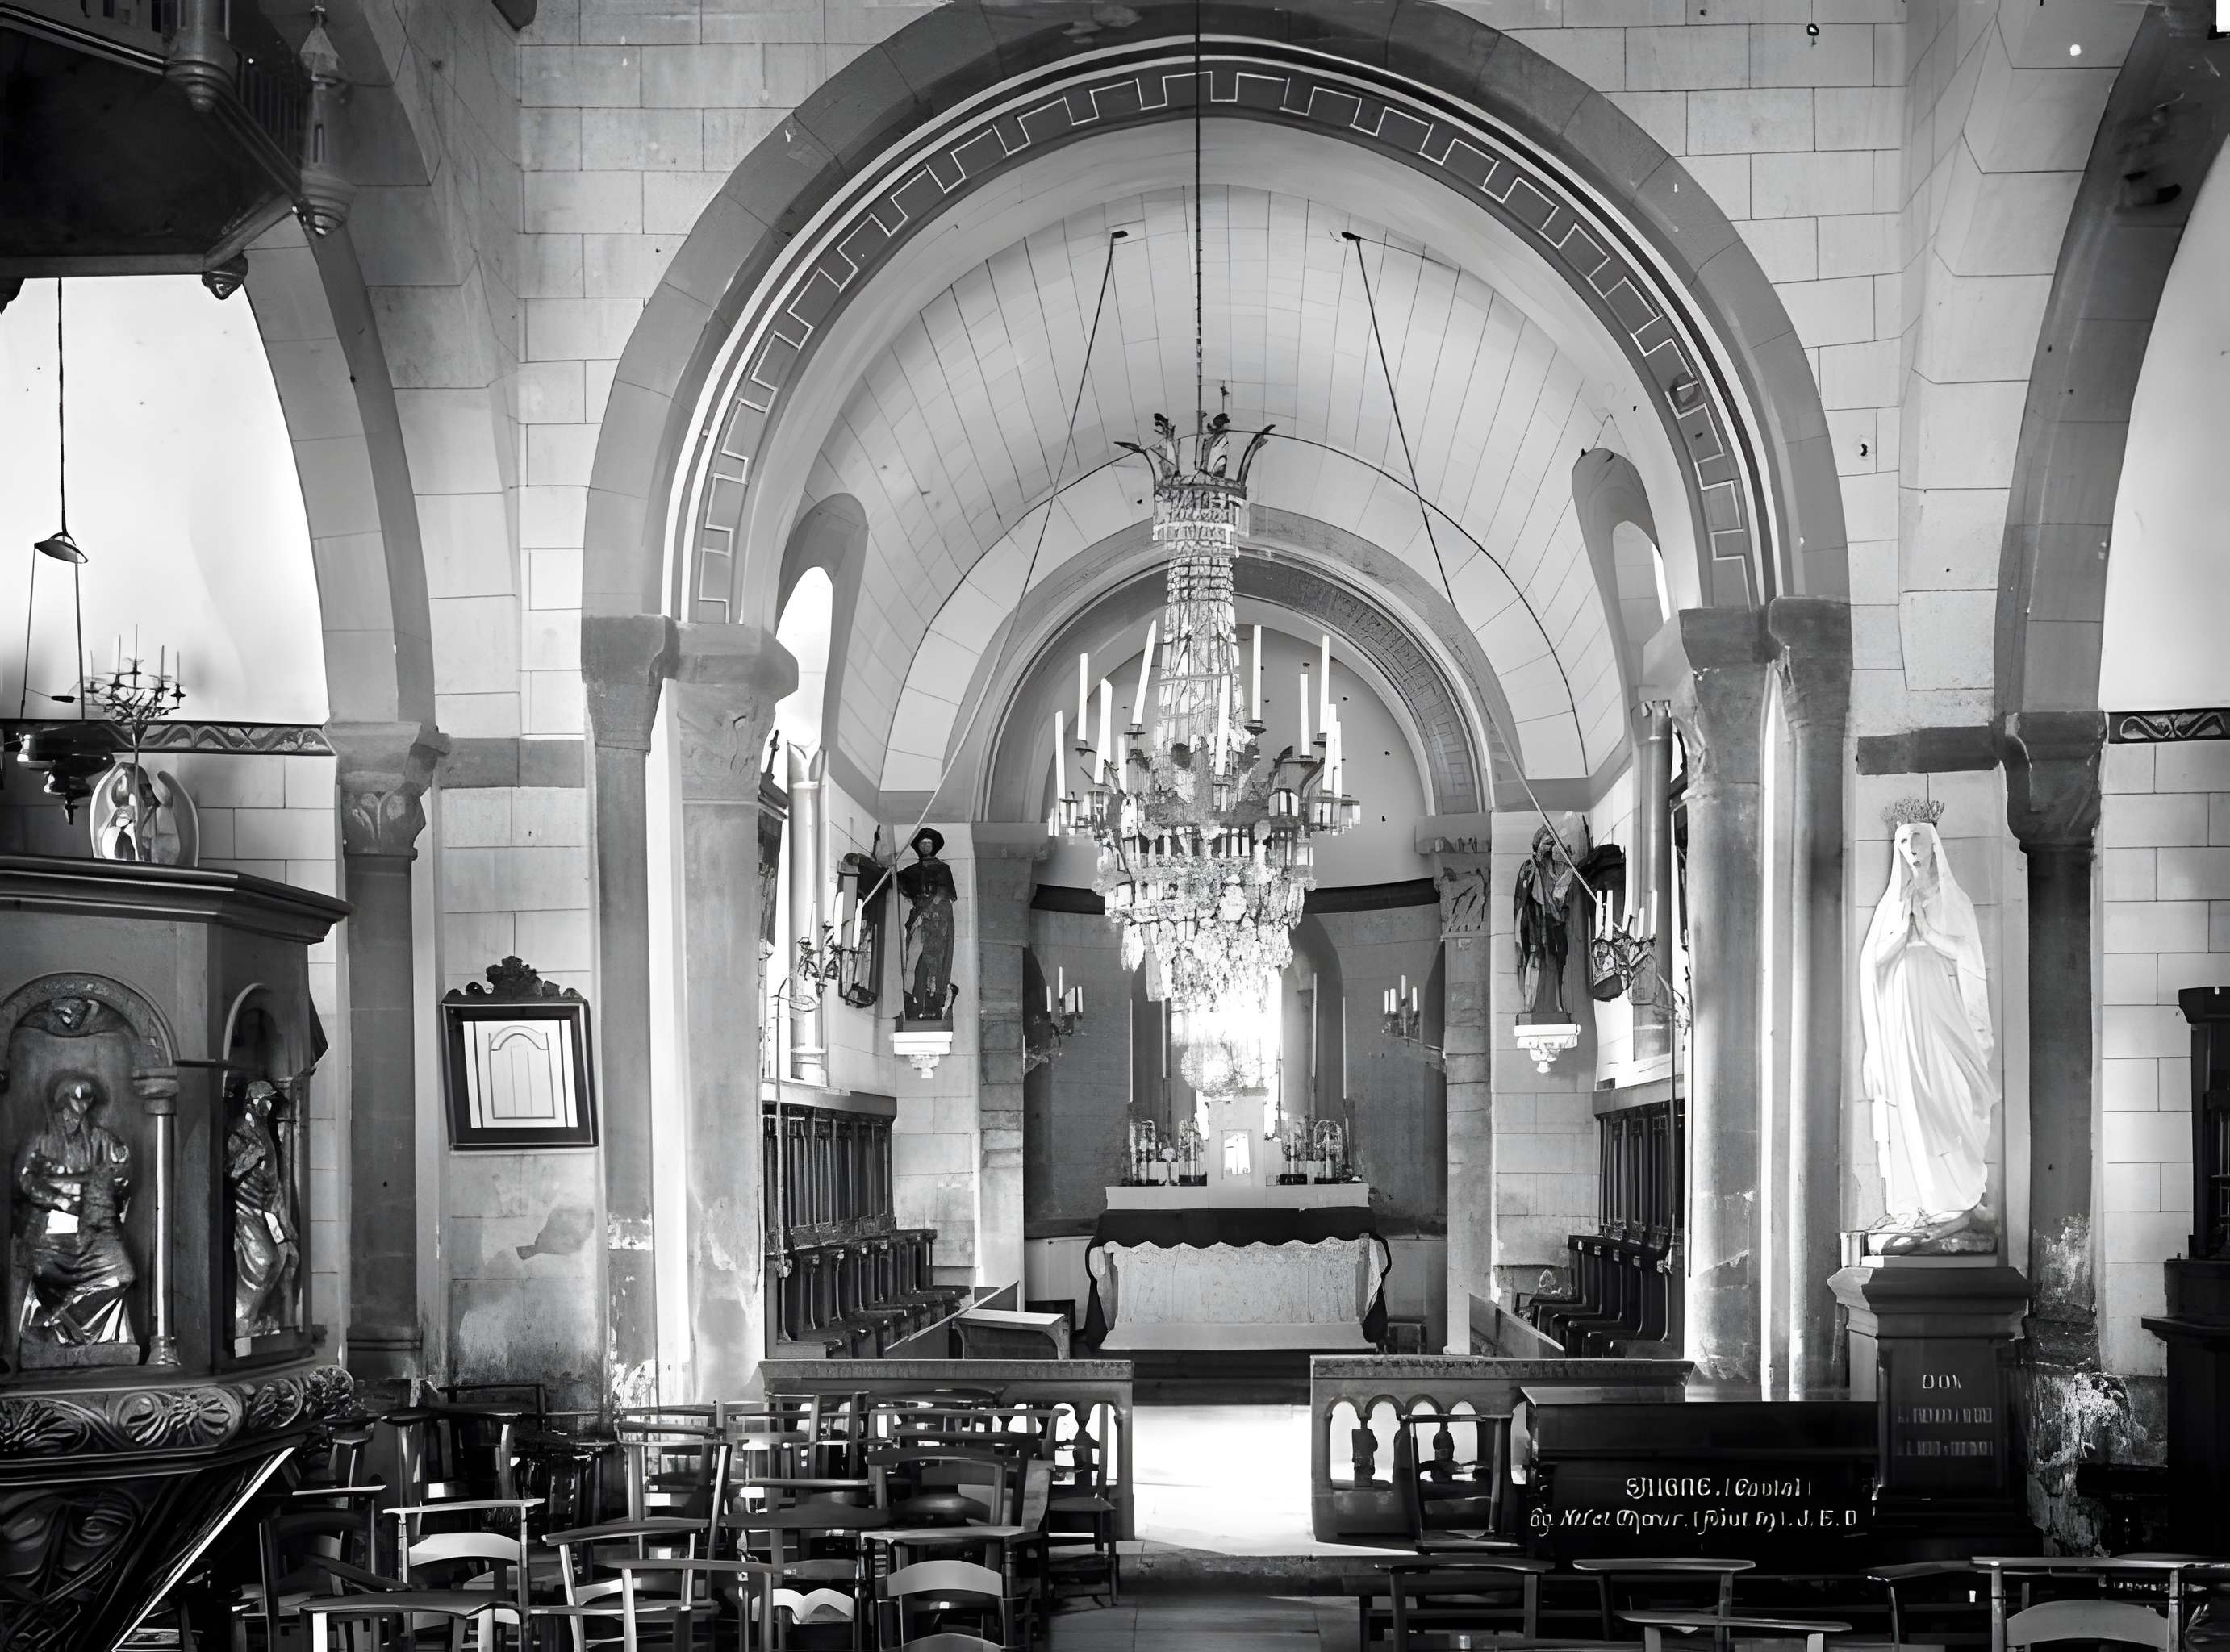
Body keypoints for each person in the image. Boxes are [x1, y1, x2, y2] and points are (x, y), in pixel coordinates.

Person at [1858, 811, 1997, 1255]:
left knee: (1952, 1098)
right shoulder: (1892, 906)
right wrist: (1903, 934)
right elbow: (1871, 964)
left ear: (1934, 844)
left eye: (1918, 838)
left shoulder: (1955, 901)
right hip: (1902, 1019)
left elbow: (1969, 957)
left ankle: (1957, 1203)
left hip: (1943, 1015)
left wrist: (1930, 934)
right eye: (1903, 841)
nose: (1911, 848)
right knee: (1911, 1106)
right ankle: (1919, 1203)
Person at [15, 1075, 136, 1352]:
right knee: (46, 1275)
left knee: (122, 1275)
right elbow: (26, 1180)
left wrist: (122, 1166)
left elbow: (121, 1182)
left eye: (87, 1099)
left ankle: (65, 1325)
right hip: (56, 1231)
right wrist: (57, 1198)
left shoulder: (103, 1138)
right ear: (62, 1103)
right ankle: (58, 1329)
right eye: (74, 1099)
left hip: (96, 1228)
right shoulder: (44, 1140)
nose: (80, 1107)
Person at [228, 1080, 300, 1338]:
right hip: (245, 1210)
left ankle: (258, 1316)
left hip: (266, 1208)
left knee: (288, 1256)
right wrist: (251, 1155)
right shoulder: (239, 1131)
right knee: (264, 1260)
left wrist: (279, 1211)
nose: (269, 1107)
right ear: (252, 1102)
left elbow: (272, 1173)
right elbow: (228, 1172)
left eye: (270, 1101)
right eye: (265, 1101)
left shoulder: (263, 1129)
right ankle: (242, 1317)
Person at [896, 826, 958, 1022]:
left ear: (934, 846)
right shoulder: (913, 871)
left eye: (928, 843)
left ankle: (933, 1002)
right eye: (922, 843)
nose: (925, 846)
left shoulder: (943, 868)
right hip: (919, 918)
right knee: (914, 961)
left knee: (935, 961)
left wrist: (931, 909)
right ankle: (915, 1003)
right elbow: (898, 880)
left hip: (937, 922)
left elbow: (944, 893)